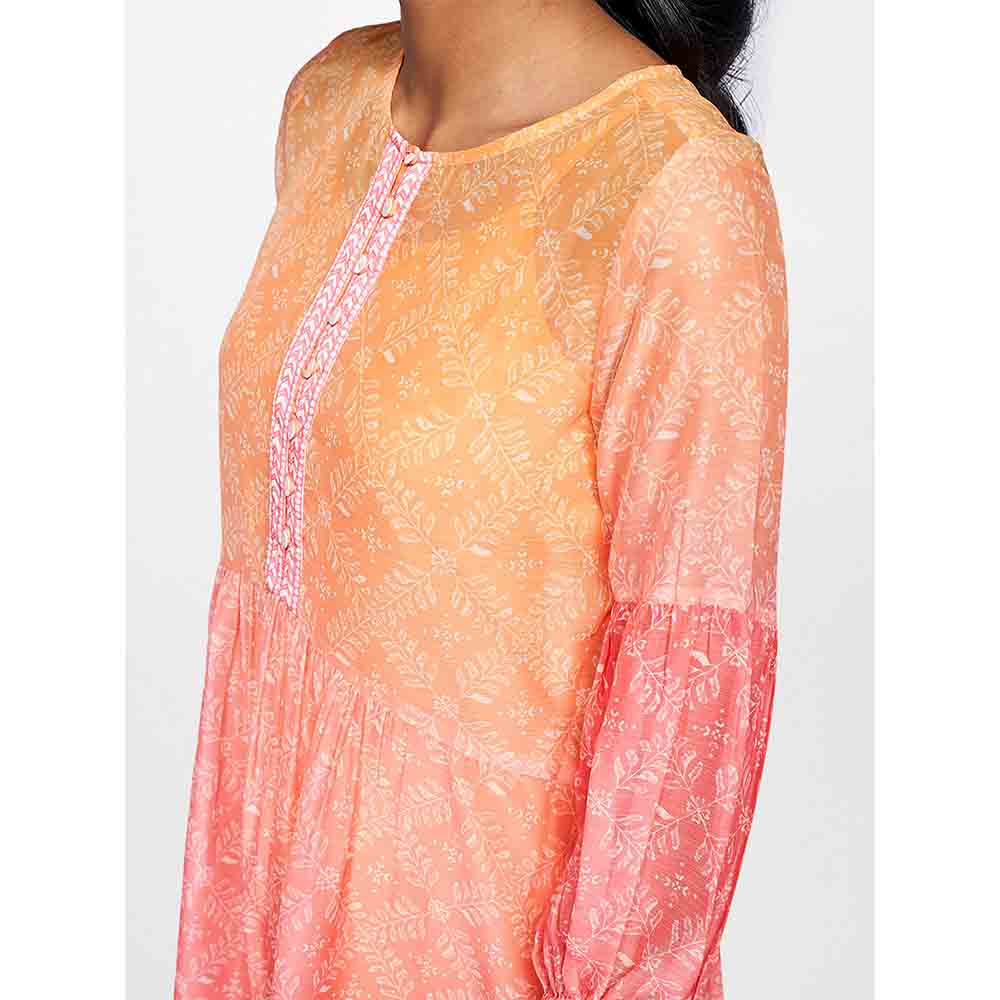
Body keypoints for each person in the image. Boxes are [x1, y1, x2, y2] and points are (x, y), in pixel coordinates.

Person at [173, 3, 789, 998]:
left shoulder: (673, 185)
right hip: (270, 895)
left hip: (479, 938)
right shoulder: (331, 100)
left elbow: (688, 681)